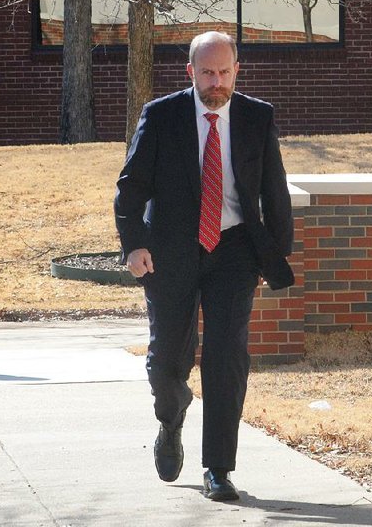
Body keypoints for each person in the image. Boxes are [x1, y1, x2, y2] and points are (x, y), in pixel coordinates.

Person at [114, 31, 295, 501]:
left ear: (236, 70)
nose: (217, 82)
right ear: (190, 71)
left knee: (226, 356)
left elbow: (274, 193)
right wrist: (134, 246)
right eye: (207, 72)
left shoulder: (257, 117)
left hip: (233, 250)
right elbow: (130, 190)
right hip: (169, 250)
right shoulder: (162, 116)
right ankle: (171, 419)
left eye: (225, 72)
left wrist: (272, 254)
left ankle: (218, 467)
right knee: (167, 360)